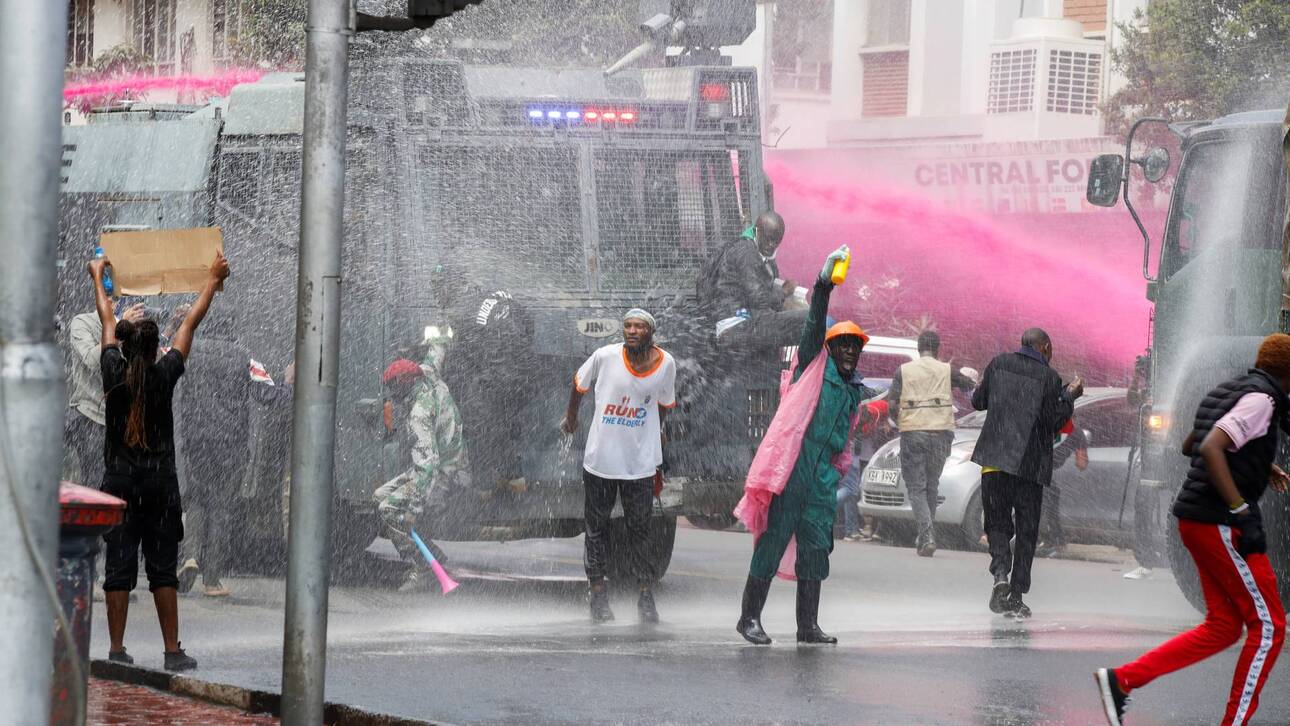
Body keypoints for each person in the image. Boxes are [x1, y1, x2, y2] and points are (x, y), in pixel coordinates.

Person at [1096, 335, 1290, 726]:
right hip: (1219, 521)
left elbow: (1192, 442)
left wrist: (1258, 462)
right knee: (1269, 625)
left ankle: (1123, 681)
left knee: (1222, 627)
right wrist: (1240, 508)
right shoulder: (1262, 400)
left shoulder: (1229, 389)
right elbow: (1211, 447)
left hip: (1195, 520)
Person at [734, 246, 880, 646]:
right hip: (793, 469)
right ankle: (749, 618)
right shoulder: (813, 365)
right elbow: (815, 323)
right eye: (844, 344)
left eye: (856, 345)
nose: (850, 350)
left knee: (817, 547)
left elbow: (847, 435)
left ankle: (807, 626)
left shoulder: (853, 390)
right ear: (831, 348)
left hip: (821, 476)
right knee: (774, 540)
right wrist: (822, 285)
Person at [92, 249, 229, 672]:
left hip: (118, 485)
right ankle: (172, 650)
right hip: (159, 486)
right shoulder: (165, 373)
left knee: (118, 567)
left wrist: (99, 277)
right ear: (156, 349)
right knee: (163, 568)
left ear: (125, 346)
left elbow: (106, 321)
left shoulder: (113, 372)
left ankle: (116, 650)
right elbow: (191, 323)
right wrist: (212, 280)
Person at [560, 309, 677, 623]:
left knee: (641, 531)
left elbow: (665, 405)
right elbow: (578, 384)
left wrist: (655, 436)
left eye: (639, 326)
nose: (632, 331)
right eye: (627, 326)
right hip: (600, 462)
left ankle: (645, 597)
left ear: (651, 332)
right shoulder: (605, 356)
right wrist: (571, 420)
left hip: (639, 466)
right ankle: (598, 594)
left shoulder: (666, 364)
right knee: (596, 530)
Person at [970, 328, 1083, 618]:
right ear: (1044, 346)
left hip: (995, 461)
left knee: (996, 523)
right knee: (1026, 532)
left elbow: (977, 402)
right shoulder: (1050, 378)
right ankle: (1016, 596)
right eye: (1052, 349)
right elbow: (1052, 422)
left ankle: (1000, 576)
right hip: (1029, 468)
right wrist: (1070, 396)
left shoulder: (998, 364)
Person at [172, 310, 268, 598]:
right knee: (221, 507)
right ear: (230, 329)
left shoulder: (191, 351)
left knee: (197, 500)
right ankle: (211, 580)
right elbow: (265, 392)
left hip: (197, 439)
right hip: (230, 443)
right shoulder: (244, 356)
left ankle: (189, 555)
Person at [373, 356, 471, 592]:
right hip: (445, 465)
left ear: (406, 381)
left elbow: (428, 464)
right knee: (379, 495)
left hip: (444, 474)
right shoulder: (429, 375)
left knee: (389, 510)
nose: (391, 393)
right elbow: (435, 353)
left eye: (394, 386)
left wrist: (413, 510)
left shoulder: (419, 413)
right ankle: (431, 553)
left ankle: (423, 566)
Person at [886, 330, 978, 557]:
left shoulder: (904, 371)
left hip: (913, 432)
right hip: (941, 433)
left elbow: (892, 405)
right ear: (938, 349)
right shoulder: (947, 370)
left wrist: (902, 421)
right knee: (931, 483)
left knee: (916, 486)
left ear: (918, 349)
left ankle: (926, 534)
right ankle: (926, 533)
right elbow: (969, 386)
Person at [438, 274, 532, 495]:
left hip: (494, 380)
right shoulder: (506, 298)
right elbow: (529, 325)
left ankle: (483, 489)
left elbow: (465, 352)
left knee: (478, 428)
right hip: (522, 376)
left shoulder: (467, 314)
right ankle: (514, 479)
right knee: (508, 425)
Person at [65, 301, 146, 488]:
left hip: (125, 422)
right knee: (96, 484)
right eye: (107, 292)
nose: (112, 300)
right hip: (92, 417)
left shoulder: (134, 328)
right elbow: (92, 361)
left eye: (117, 295)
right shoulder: (83, 322)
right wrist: (119, 330)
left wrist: (168, 331)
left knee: (125, 487)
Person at [701, 210, 807, 349]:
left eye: (776, 241)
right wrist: (784, 291)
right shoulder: (747, 252)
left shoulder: (753, 252)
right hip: (736, 326)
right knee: (808, 318)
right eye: (768, 239)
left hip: (743, 323)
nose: (771, 245)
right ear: (757, 232)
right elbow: (759, 300)